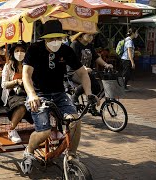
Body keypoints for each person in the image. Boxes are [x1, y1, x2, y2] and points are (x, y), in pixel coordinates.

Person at [20, 20, 99, 174]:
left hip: (59, 94)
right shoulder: (34, 49)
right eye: (51, 39)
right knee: (44, 131)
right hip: (39, 95)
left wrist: (89, 94)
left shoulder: (66, 50)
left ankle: (71, 156)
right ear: (44, 38)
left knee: (75, 121)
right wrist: (32, 94)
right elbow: (26, 74)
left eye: (58, 38)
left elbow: (82, 73)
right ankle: (28, 151)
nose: (55, 42)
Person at [70, 32, 113, 116]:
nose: (91, 37)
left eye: (92, 35)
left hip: (86, 73)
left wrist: (106, 64)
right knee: (87, 83)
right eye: (89, 35)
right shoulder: (75, 44)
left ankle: (92, 107)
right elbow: (73, 60)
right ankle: (75, 95)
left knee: (96, 87)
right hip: (74, 71)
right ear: (81, 36)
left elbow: (96, 57)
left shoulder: (89, 45)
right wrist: (83, 68)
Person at [1, 41, 32, 143]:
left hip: (28, 91)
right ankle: (12, 129)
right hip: (13, 93)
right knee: (22, 105)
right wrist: (16, 82)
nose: (20, 53)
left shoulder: (30, 65)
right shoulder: (8, 66)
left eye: (22, 51)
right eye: (17, 51)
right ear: (13, 53)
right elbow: (4, 84)